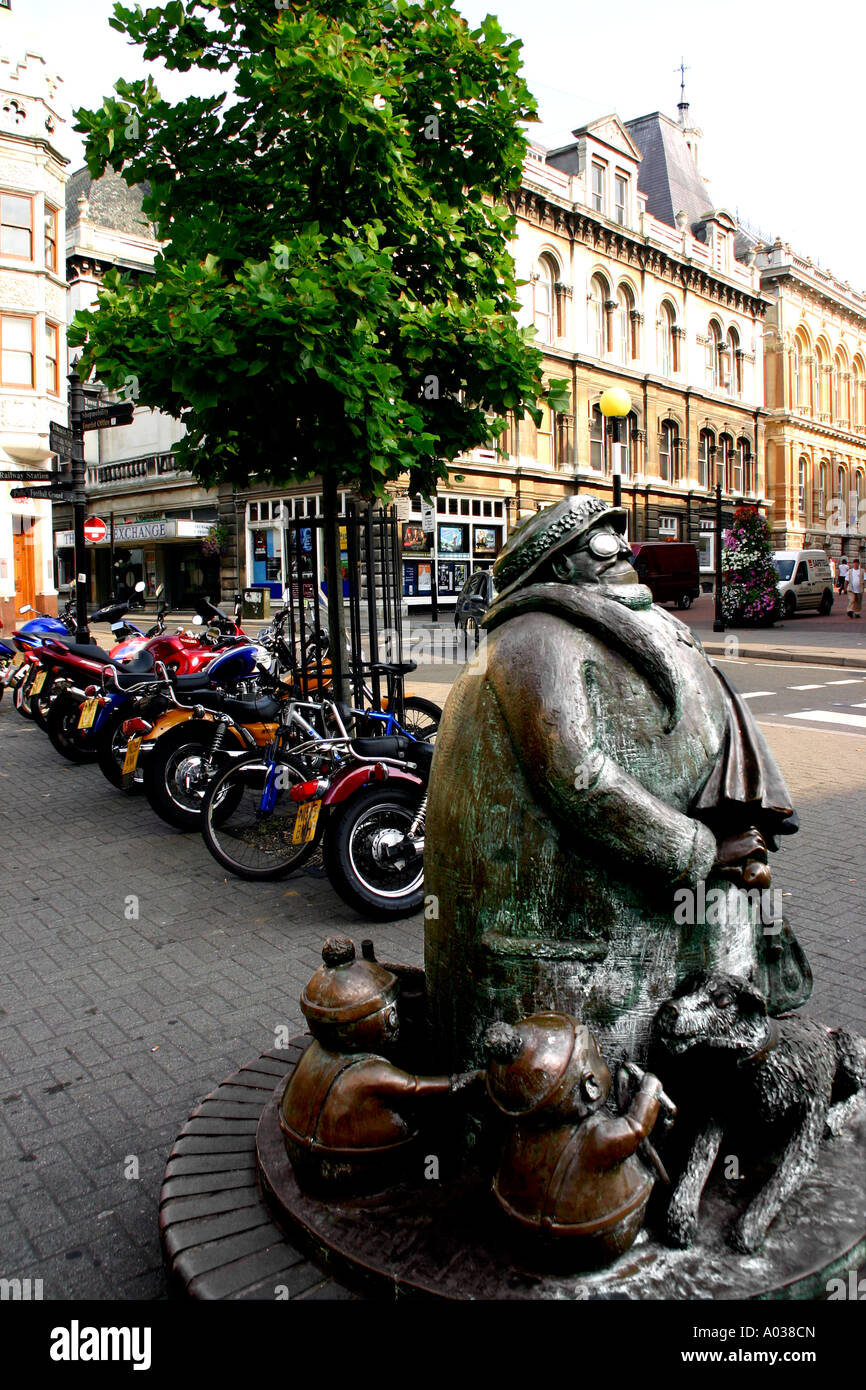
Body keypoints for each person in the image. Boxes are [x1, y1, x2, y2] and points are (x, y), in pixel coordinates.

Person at [425, 496, 808, 1071]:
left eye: (621, 536)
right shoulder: (533, 640)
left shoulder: (631, 620)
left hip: (649, 913)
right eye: (604, 543)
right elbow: (583, 780)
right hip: (566, 941)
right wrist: (701, 850)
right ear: (559, 568)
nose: (625, 550)